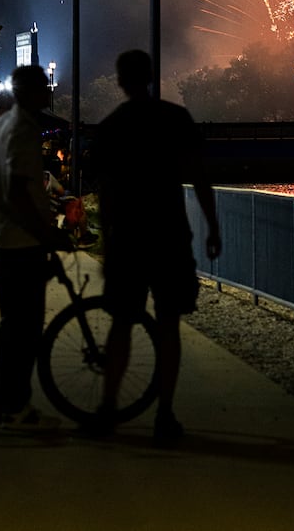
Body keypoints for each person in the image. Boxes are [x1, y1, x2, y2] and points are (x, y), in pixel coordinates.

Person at [91, 49, 221, 445]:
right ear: (151, 76)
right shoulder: (175, 119)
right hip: (169, 235)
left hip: (129, 237)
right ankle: (165, 414)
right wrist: (213, 227)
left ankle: (109, 408)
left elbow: (107, 191)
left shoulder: (112, 126)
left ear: (120, 80)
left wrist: (105, 239)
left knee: (120, 324)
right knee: (169, 326)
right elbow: (199, 177)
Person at [0, 65, 74, 429]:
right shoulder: (22, 129)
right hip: (22, 240)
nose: (48, 94)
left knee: (14, 325)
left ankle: (1, 400)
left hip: (6, 237)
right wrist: (47, 233)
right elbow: (18, 192)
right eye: (43, 88)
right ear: (29, 92)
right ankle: (13, 404)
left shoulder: (2, 124)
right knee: (25, 329)